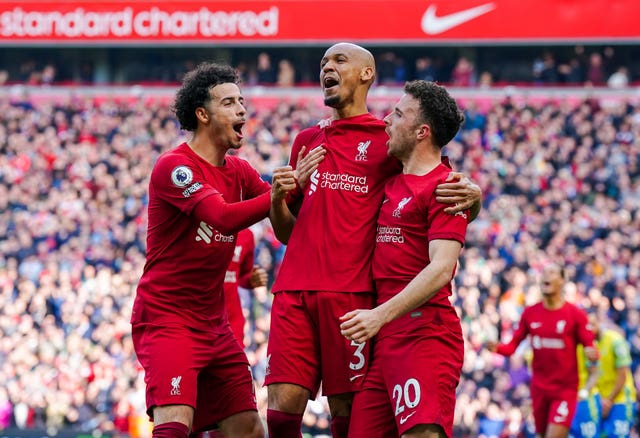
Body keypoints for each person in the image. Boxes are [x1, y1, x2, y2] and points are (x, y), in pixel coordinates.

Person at [267, 42, 482, 438]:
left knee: (349, 417)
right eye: (323, 62)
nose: (327, 67)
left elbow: (437, 183)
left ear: (367, 73)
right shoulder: (306, 141)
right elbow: (286, 233)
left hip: (359, 300)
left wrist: (474, 198)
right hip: (299, 289)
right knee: (280, 412)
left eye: (338, 60)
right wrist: (278, 199)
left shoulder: (386, 144)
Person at [130, 62, 318, 438]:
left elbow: (279, 203)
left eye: (242, 101)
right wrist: (282, 191)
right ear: (202, 114)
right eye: (229, 103)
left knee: (249, 428)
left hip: (215, 325)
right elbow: (221, 217)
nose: (241, 110)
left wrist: (317, 180)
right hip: (168, 320)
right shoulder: (174, 166)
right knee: (174, 426)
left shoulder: (239, 170)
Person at [339, 80, 469, 438]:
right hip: (385, 341)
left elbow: (442, 267)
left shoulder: (446, 187)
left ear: (421, 131)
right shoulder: (391, 180)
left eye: (397, 114)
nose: (386, 120)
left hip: (424, 334)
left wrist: (378, 315)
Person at [486, 262, 599, 438]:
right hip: (539, 388)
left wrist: (593, 354)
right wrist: (497, 347)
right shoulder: (530, 313)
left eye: (552, 272)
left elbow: (591, 349)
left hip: (564, 390)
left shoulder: (575, 315)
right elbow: (511, 347)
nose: (546, 276)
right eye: (544, 273)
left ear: (562, 280)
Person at [589, 312, 637, 438]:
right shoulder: (589, 344)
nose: (590, 329)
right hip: (600, 400)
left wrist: (609, 400)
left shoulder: (615, 340)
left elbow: (622, 374)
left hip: (620, 400)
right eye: (587, 326)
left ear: (600, 322)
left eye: (593, 324)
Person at [224, 228, 267, 347]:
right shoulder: (196, 226)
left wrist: (251, 280)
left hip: (231, 322)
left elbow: (242, 275)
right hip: (194, 320)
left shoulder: (246, 235)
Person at [569, 344, 601, 438]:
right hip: (565, 400)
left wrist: (583, 393)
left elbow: (594, 374)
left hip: (586, 401)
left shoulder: (587, 344)